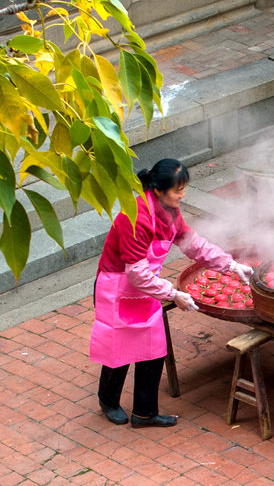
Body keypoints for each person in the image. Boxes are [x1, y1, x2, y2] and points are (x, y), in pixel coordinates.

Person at [90, 159, 254, 428]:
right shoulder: (136, 218)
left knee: (153, 349)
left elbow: (194, 245)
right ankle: (108, 400)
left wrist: (231, 265)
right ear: (157, 190)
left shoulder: (170, 213)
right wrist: (172, 293)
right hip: (118, 288)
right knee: (119, 348)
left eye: (184, 188)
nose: (182, 194)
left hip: (146, 288)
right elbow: (136, 273)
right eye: (178, 190)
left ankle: (144, 413)